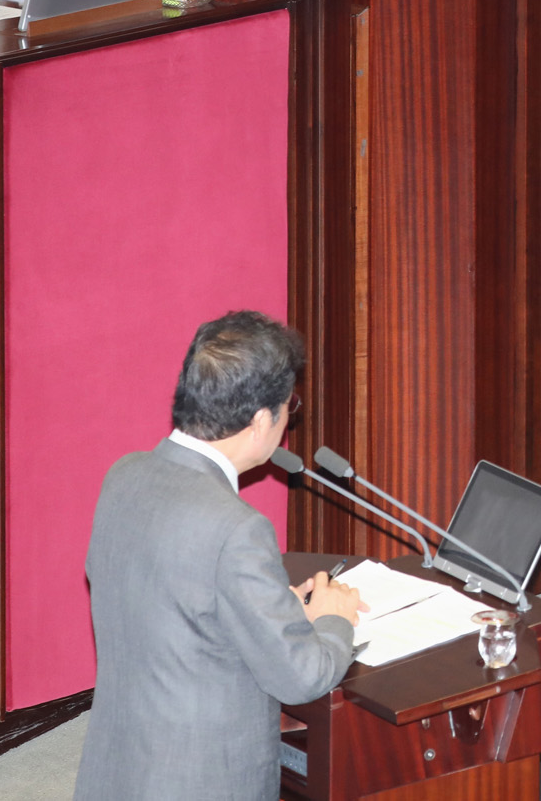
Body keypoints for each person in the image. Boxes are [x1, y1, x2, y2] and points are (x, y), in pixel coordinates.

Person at [73, 310, 366, 801]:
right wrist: (334, 619)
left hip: (118, 771)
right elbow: (303, 676)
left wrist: (266, 606)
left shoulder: (124, 476)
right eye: (288, 406)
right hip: (200, 782)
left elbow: (162, 602)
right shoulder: (238, 529)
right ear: (259, 422)